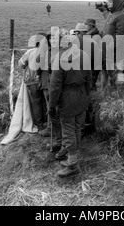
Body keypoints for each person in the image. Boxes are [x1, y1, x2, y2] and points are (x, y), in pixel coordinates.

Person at [48, 32, 91, 178]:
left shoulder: (60, 58)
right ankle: (73, 158)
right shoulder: (84, 55)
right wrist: (86, 96)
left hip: (67, 99)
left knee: (68, 131)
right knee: (77, 128)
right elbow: (89, 79)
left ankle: (72, 165)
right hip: (81, 96)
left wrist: (51, 105)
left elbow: (54, 86)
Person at [100, 0, 124, 88]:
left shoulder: (121, 16)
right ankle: (106, 92)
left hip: (114, 52)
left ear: (117, 3)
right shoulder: (111, 14)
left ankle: (118, 96)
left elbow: (120, 35)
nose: (108, 3)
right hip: (106, 50)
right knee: (106, 72)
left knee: (116, 74)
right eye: (108, 1)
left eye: (111, 2)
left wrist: (110, 47)